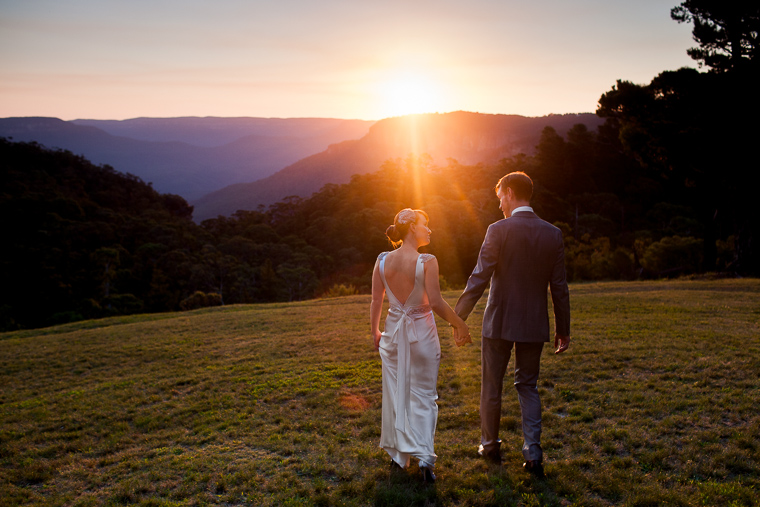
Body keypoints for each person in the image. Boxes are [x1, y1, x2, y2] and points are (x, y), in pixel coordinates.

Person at [454, 171, 570, 477]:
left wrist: (458, 317)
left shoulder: (498, 230)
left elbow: (479, 276)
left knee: (492, 386)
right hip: (534, 324)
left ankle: (490, 445)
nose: (499, 205)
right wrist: (563, 329)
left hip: (499, 323)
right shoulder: (553, 233)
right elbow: (559, 286)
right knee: (527, 385)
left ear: (508, 192)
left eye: (500, 198)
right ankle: (533, 452)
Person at [370, 208, 471, 483]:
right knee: (425, 398)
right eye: (426, 224)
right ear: (413, 227)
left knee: (397, 396)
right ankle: (425, 462)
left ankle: (398, 458)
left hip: (391, 335)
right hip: (422, 335)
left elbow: (377, 301)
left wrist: (375, 331)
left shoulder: (381, 261)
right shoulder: (427, 261)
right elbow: (436, 302)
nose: (429, 229)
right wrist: (459, 324)